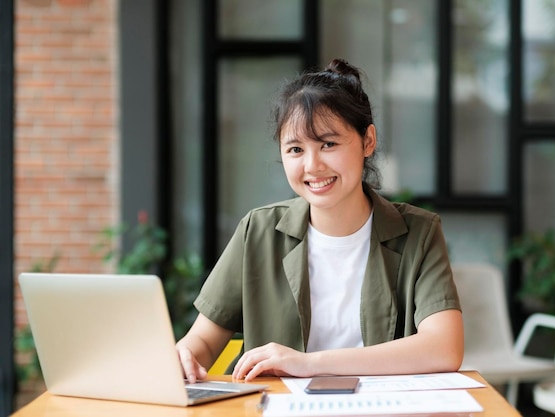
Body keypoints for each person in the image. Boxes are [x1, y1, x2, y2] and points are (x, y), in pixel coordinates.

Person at [176, 58, 463, 383]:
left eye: (328, 144)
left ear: (368, 141)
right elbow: (202, 341)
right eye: (296, 149)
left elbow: (444, 347)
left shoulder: (419, 233)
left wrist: (309, 363)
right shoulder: (258, 231)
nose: (312, 166)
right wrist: (184, 356)